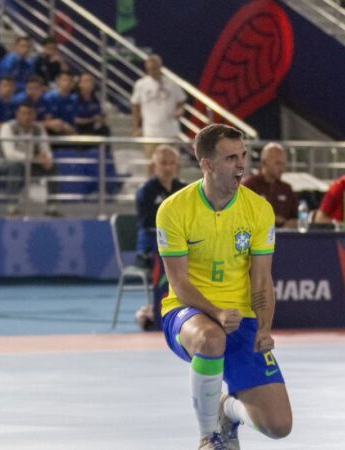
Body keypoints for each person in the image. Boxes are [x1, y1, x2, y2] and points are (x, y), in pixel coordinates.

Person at [156, 124, 292, 449]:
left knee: (279, 426)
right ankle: (209, 436)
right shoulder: (173, 210)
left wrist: (264, 328)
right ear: (207, 164)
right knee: (210, 337)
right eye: (231, 158)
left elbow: (261, 279)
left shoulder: (259, 210)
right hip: (186, 314)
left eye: (243, 155)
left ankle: (226, 410)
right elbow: (179, 283)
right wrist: (215, 312)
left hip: (241, 319)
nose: (241, 165)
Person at [0, 101, 58, 216]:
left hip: (29, 163)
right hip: (3, 164)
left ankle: (51, 207)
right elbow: (10, 154)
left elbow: (46, 148)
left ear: (34, 115)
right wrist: (34, 158)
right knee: (16, 165)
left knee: (53, 166)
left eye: (30, 114)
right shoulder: (7, 127)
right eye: (23, 113)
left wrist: (47, 159)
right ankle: (12, 207)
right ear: (17, 114)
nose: (26, 117)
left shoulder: (39, 128)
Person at [131, 54, 187, 159]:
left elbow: (181, 100)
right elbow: (135, 107)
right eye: (150, 69)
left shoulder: (171, 83)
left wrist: (179, 110)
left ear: (160, 67)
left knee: (173, 161)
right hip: (150, 131)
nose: (152, 72)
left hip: (170, 130)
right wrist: (136, 127)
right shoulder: (141, 84)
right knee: (151, 162)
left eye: (155, 69)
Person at [135, 144, 185, 261]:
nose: (168, 168)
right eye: (163, 163)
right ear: (153, 167)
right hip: (151, 245)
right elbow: (148, 221)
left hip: (178, 242)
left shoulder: (184, 189)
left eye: (172, 163)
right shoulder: (145, 190)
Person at [242, 142, 298, 229]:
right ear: (264, 163)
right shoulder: (249, 187)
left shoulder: (286, 189)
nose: (282, 168)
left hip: (284, 239)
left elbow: (296, 218)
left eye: (283, 164)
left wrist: (291, 223)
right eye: (278, 163)